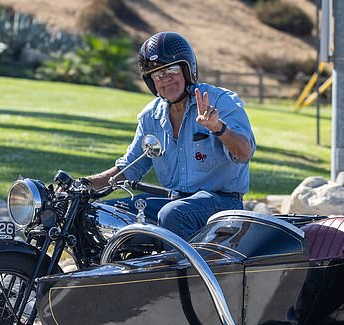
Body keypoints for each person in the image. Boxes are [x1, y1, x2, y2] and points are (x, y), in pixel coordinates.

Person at [85, 32, 256, 240]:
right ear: (151, 82)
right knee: (104, 213)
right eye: (157, 75)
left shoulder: (220, 101)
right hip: (174, 201)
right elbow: (130, 168)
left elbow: (244, 153)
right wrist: (83, 184)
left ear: (187, 70)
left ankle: (176, 273)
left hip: (222, 203)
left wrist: (218, 128)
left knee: (172, 214)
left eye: (171, 70)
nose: (165, 79)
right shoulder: (151, 117)